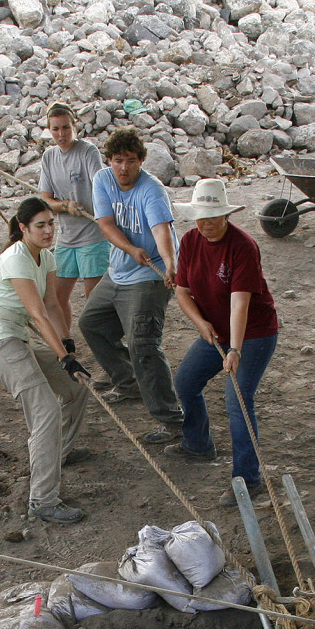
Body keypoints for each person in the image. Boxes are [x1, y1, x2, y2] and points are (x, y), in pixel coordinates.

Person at [0, 197, 93, 525]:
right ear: (23, 228)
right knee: (45, 409)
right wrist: (64, 357)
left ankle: (58, 454)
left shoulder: (47, 257)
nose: (48, 230)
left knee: (76, 387)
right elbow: (38, 315)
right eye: (40, 225)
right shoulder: (16, 259)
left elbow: (53, 305)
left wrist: (66, 342)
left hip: (18, 338)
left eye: (51, 224)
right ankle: (43, 500)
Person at [166, 179, 280, 507]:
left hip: (253, 333)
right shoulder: (189, 241)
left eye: (214, 217)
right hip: (216, 330)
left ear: (226, 216)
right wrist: (200, 323)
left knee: (237, 400)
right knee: (186, 381)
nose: (207, 224)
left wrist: (235, 349)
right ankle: (198, 442)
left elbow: (240, 303)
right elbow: (182, 291)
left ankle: (248, 478)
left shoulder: (243, 246)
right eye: (201, 217)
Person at [78, 127, 184, 443]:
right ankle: (128, 382)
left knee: (143, 344)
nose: (124, 168)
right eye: (118, 160)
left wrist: (170, 264)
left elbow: (161, 229)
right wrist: (129, 249)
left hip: (150, 275)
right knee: (91, 323)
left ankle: (172, 420)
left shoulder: (152, 190)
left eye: (132, 161)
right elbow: (106, 224)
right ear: (109, 160)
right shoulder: (102, 180)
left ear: (141, 162)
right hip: (120, 269)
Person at [38, 102, 109, 323]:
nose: (61, 134)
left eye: (66, 127)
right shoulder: (49, 157)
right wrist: (65, 206)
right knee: (57, 297)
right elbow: (46, 200)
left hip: (93, 235)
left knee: (94, 299)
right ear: (49, 129)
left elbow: (101, 187)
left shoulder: (88, 151)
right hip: (66, 238)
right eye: (56, 129)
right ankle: (65, 341)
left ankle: (104, 343)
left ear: (74, 126)